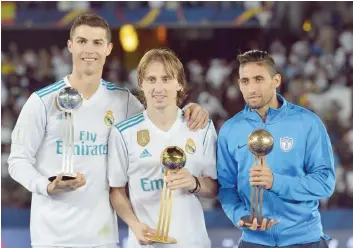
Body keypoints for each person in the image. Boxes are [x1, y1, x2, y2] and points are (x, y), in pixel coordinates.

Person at [7, 14, 209, 248]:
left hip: (103, 237)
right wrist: (46, 185)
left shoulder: (122, 101)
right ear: (70, 46)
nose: (89, 50)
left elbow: (159, 121)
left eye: (97, 42)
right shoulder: (41, 101)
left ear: (109, 48)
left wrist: (190, 110)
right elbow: (17, 161)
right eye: (82, 41)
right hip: (51, 237)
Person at [217, 50, 335, 248]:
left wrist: (276, 182)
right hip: (254, 241)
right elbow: (226, 187)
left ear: (276, 80)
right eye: (245, 81)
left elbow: (325, 182)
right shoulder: (230, 129)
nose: (251, 88)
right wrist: (240, 215)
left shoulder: (307, 122)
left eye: (258, 79)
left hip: (304, 240)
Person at [108, 48, 218, 248]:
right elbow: (116, 190)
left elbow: (214, 187)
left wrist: (193, 182)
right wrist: (134, 224)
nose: (158, 87)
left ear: (179, 84)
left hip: (193, 242)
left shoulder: (200, 126)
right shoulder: (123, 133)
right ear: (141, 83)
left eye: (166, 79)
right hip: (146, 243)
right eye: (151, 79)